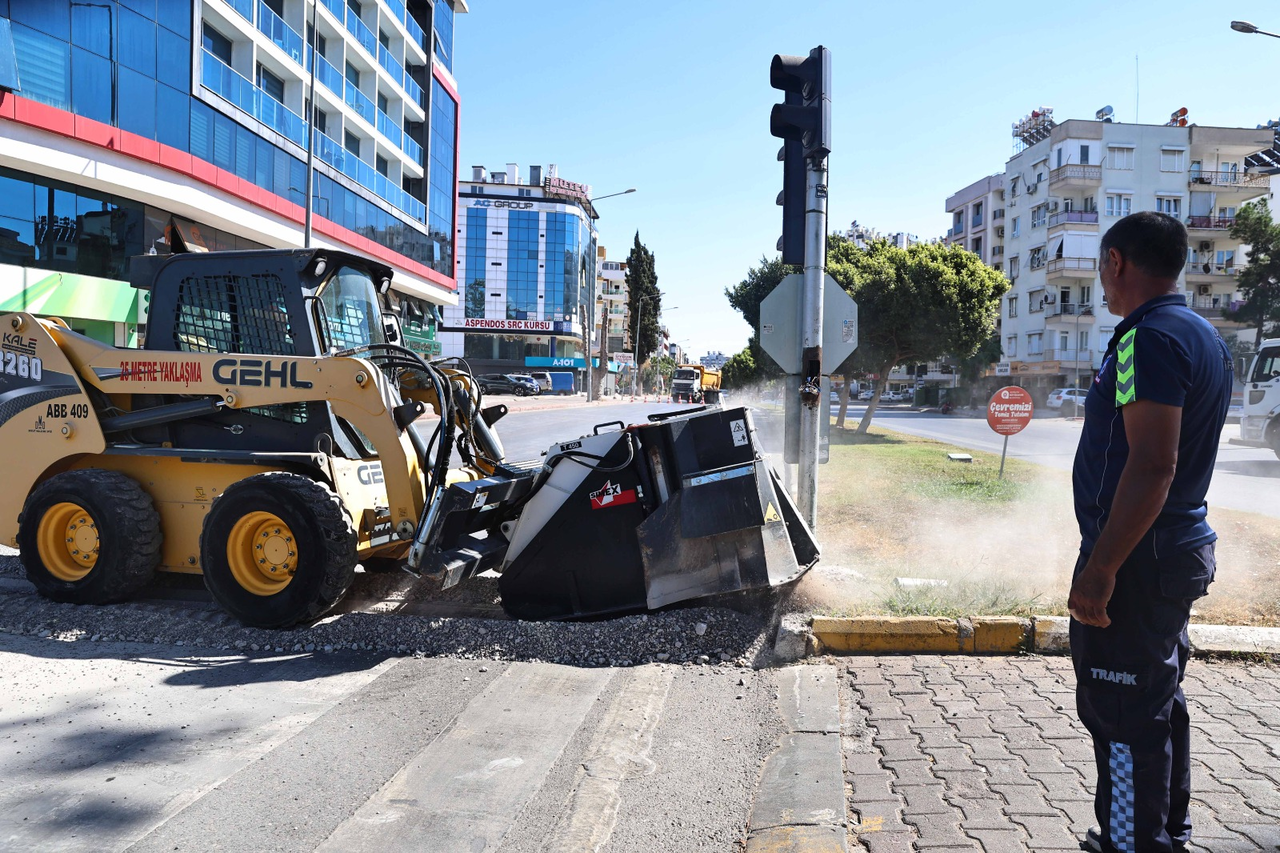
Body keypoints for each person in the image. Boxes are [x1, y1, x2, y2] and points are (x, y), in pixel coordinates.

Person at [1068, 212, 1233, 852]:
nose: (1102, 283)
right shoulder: (1203, 335)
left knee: (1121, 710)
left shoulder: (1146, 339)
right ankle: (1161, 833)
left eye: (1100, 268)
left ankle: (1132, 843)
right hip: (1169, 548)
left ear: (1116, 262)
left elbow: (1153, 464)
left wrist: (1101, 568)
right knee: (1155, 700)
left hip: (1138, 556)